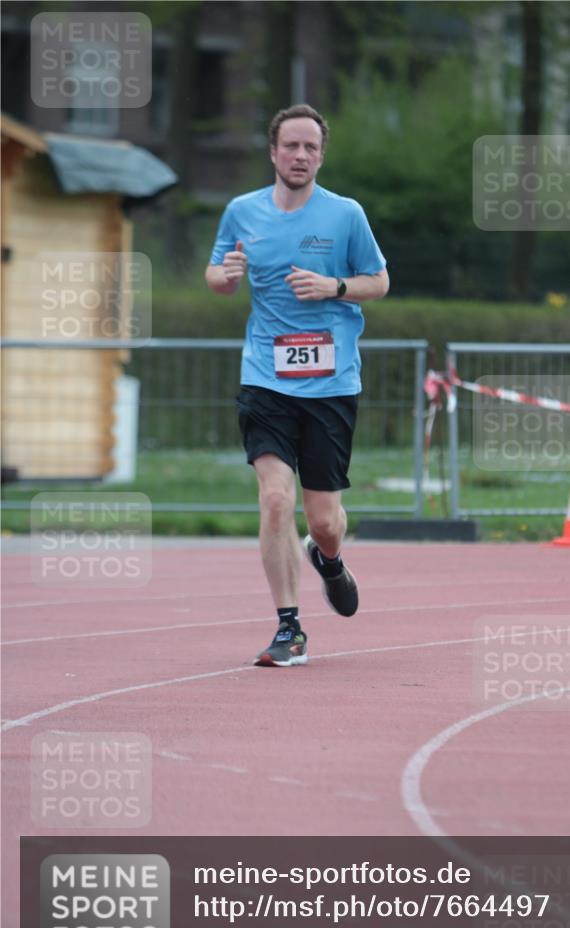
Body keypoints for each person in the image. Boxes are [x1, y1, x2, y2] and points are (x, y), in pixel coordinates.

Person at [205, 103, 389, 667]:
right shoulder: (242, 211)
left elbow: (379, 282)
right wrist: (225, 278)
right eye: (292, 146)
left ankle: (328, 559)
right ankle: (290, 628)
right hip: (265, 378)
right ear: (274, 152)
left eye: (311, 147)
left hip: (330, 383)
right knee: (275, 500)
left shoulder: (345, 215)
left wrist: (333, 286)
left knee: (325, 521)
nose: (301, 156)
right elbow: (215, 273)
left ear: (321, 155)